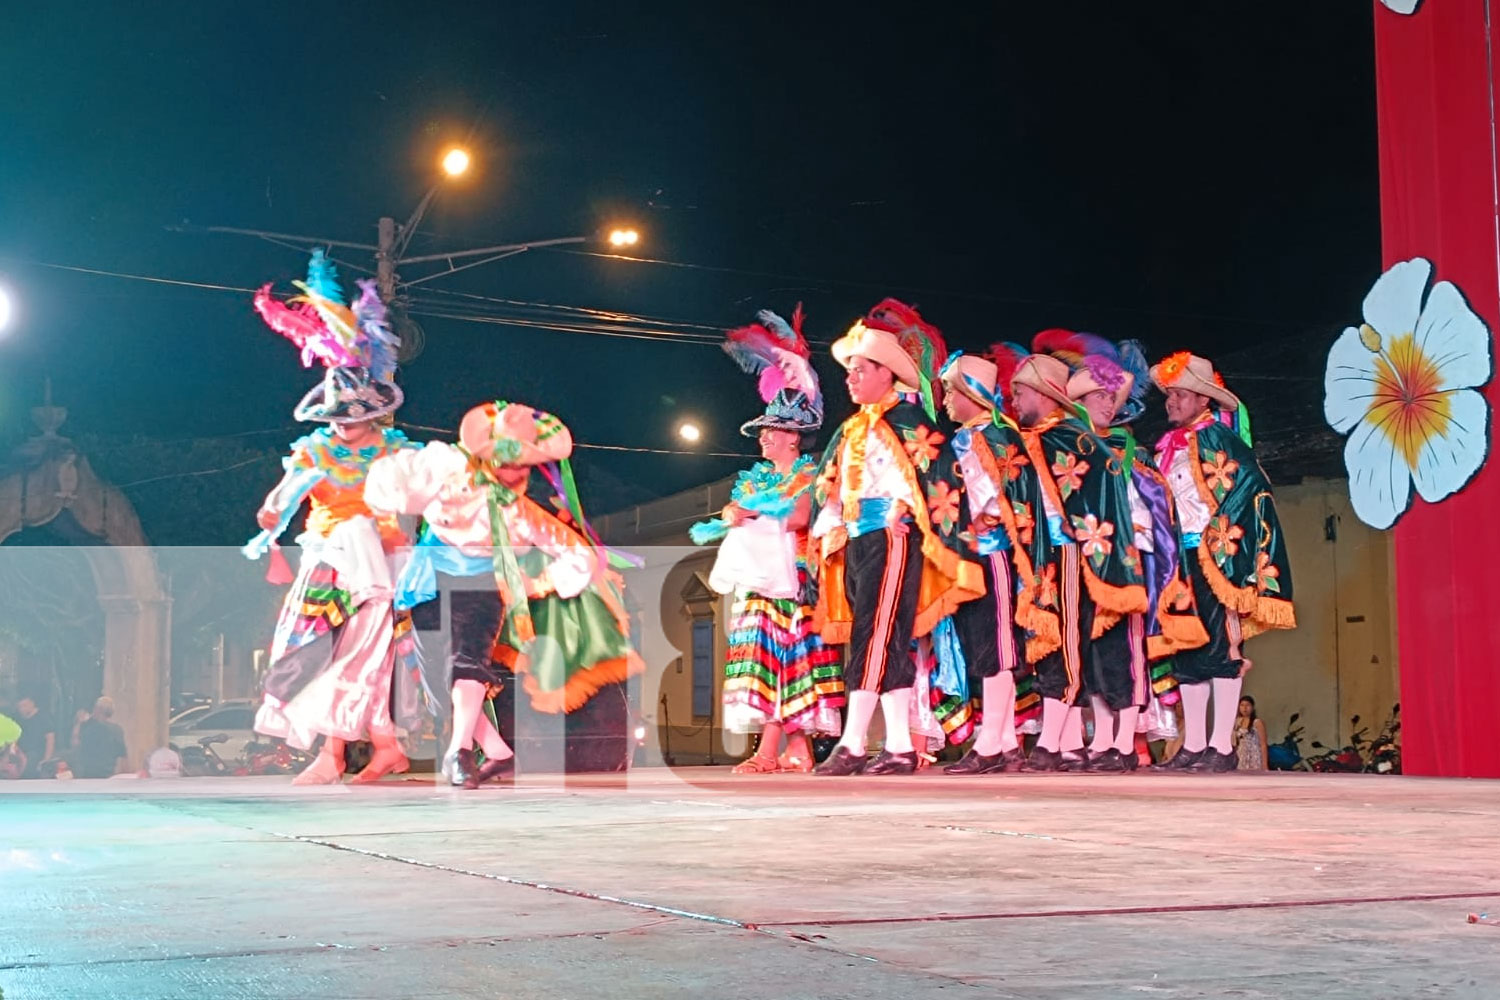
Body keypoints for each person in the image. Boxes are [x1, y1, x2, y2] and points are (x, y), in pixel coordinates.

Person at [366, 400, 644, 789]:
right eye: (506, 462)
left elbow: (575, 553)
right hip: (430, 581)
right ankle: (498, 753)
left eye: (522, 466)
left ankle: (459, 753)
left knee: (469, 664)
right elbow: (391, 489)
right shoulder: (448, 478)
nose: (514, 473)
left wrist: (540, 581)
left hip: (482, 590)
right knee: (439, 684)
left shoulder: (522, 513)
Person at [243, 251, 424, 785]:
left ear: (373, 412)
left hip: (381, 566)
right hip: (328, 564)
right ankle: (373, 746)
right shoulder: (313, 454)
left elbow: (416, 499)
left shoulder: (394, 452)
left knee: (364, 656)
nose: (347, 423)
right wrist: (271, 517)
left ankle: (339, 752)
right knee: (313, 650)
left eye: (357, 413)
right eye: (339, 414)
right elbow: (279, 501)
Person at [810, 299, 984, 776]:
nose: (850, 377)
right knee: (884, 637)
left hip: (892, 538)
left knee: (876, 632)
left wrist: (908, 512)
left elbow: (939, 475)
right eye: (849, 371)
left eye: (860, 369)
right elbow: (827, 487)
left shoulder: (910, 424)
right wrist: (829, 532)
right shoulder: (848, 430)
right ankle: (901, 744)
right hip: (856, 541)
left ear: (886, 374)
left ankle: (852, 743)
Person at [691, 307, 844, 773]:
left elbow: (800, 516)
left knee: (784, 658)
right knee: (770, 660)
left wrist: (756, 509)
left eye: (770, 432)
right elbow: (735, 512)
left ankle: (767, 751)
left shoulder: (809, 474)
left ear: (794, 439)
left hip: (796, 579)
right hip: (760, 580)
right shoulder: (755, 479)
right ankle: (795, 747)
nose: (763, 439)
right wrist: (735, 511)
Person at [1062, 340, 1209, 772]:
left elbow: (1155, 508)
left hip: (1127, 565)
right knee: (1091, 656)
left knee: (1123, 653)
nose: (1108, 405)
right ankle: (1103, 739)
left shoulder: (1133, 453)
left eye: (1112, 398)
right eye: (1099, 397)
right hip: (1085, 564)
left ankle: (1125, 741)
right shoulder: (1073, 451)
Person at [1150, 352, 1296, 773]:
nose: (1171, 402)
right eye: (1169, 395)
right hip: (1179, 561)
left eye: (1179, 395)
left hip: (1217, 559)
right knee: (1188, 650)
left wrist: (1219, 540)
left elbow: (1250, 489)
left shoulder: (1223, 441)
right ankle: (1193, 743)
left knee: (1223, 648)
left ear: (1202, 399)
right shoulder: (1167, 447)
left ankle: (1222, 745)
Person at [1008, 346, 1148, 772]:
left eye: (1019, 394)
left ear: (1042, 393)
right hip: (1044, 556)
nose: (1013, 403)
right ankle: (1068, 742)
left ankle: (1061, 742)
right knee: (1055, 645)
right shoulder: (1036, 439)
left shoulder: (1072, 439)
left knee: (1071, 644)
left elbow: (1104, 486)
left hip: (1073, 554)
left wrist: (1082, 534)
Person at [935, 352, 1046, 774]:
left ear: (971, 394)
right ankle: (1001, 740)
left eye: (951, 391)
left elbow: (1017, 488)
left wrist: (991, 517)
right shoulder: (960, 441)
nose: (945, 399)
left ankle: (994, 743)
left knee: (996, 647)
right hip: (968, 557)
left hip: (996, 553)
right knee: (980, 650)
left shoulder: (1002, 437)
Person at [72, 697, 128, 778]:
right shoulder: (117, 730)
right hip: (109, 775)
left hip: (89, 776)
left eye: (94, 707)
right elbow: (124, 757)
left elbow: (75, 744)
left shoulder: (90, 729)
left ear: (98, 709)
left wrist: (78, 723)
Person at [14, 696, 56, 779]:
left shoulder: (43, 717)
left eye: (24, 706)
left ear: (32, 703)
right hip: (20, 756)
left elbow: (50, 739)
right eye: (19, 707)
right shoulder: (17, 719)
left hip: (36, 756)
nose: (21, 709)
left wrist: (46, 760)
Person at [1233, 695, 1268, 772]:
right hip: (1241, 756)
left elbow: (1263, 744)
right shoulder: (1237, 722)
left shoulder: (1257, 722)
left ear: (1252, 707)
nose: (1244, 708)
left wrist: (1265, 765)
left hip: (1254, 756)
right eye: (1242, 705)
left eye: (1247, 705)